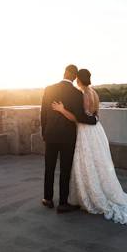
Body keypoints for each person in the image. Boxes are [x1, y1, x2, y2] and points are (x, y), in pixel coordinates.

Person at [52, 69, 127, 225]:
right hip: (97, 130)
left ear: (79, 81)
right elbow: (96, 116)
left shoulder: (84, 95)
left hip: (86, 131)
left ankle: (92, 195)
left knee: (86, 162)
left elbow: (80, 119)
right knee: (98, 162)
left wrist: (62, 110)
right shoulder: (94, 93)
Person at [41, 65, 98, 213]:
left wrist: (44, 135)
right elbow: (80, 117)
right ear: (74, 77)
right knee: (65, 170)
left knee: (49, 167)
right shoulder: (76, 93)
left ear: (64, 73)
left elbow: (43, 115)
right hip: (67, 137)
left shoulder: (49, 89)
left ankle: (47, 199)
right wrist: (94, 120)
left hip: (51, 135)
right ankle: (63, 203)